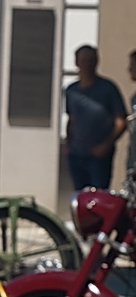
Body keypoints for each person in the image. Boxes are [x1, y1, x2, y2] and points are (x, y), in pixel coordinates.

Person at [63, 44, 126, 192]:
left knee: (98, 198)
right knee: (80, 198)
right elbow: (72, 118)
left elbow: (121, 120)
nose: (86, 64)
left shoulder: (108, 88)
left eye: (90, 60)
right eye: (83, 60)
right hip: (76, 154)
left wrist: (107, 144)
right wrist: (68, 143)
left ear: (96, 62)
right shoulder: (71, 90)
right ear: (76, 63)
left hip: (99, 156)